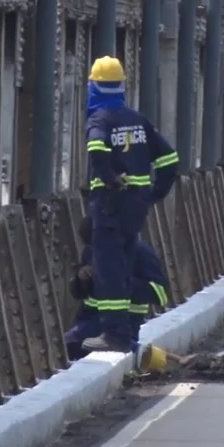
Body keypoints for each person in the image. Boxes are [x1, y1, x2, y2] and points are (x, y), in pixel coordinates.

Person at [82, 56, 178, 352]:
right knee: (125, 260)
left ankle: (115, 335)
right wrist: (156, 193)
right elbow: (169, 158)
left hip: (109, 206)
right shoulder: (138, 120)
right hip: (135, 207)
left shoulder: (100, 119)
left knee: (108, 267)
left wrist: (110, 177)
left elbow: (96, 147)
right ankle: (127, 331)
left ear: (94, 87)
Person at [65, 215, 170, 361]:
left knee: (76, 343)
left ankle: (138, 351)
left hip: (125, 321)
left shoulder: (140, 253)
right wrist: (81, 279)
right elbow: (78, 294)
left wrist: (118, 280)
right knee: (70, 347)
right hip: (88, 320)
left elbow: (161, 294)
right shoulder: (90, 253)